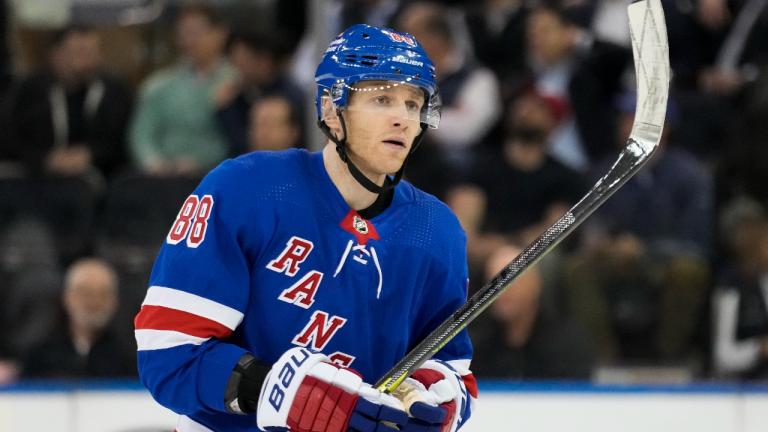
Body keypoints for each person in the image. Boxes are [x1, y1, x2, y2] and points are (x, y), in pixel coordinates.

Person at [135, 25, 476, 432]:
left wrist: (433, 401)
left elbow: (450, 364)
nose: (403, 118)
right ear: (332, 108)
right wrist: (279, 392)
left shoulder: (438, 232)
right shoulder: (246, 189)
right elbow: (170, 353)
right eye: (383, 98)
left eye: (413, 103)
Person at [564, 93, 713, 363]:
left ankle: (670, 358)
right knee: (577, 270)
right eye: (624, 119)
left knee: (689, 271)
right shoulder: (603, 172)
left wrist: (647, 249)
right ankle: (601, 361)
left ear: (664, 128)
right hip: (615, 259)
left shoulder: (689, 174)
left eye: (635, 119)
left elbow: (697, 239)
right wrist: (601, 244)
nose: (626, 125)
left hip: (665, 262)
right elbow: (590, 227)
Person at [2, 25, 132, 182]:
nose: (89, 61)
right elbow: (11, 139)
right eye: (80, 52)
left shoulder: (114, 91)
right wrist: (46, 159)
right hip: (37, 177)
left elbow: (122, 140)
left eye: (93, 52)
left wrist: (90, 155)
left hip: (99, 177)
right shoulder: (31, 90)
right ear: (56, 55)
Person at [129, 3, 236, 176]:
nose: (190, 40)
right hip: (162, 176)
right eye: (184, 33)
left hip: (215, 174)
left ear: (220, 34)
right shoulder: (158, 85)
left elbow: (238, 140)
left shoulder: (236, 82)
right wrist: (154, 162)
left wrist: (202, 162)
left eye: (197, 32)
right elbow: (142, 134)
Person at [470, 244, 596, 379]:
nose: (501, 293)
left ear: (535, 285)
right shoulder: (474, 347)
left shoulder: (568, 346)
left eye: (510, 282)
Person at [22, 258, 137, 379]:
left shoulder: (130, 358)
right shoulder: (40, 357)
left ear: (115, 300)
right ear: (67, 297)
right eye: (85, 293)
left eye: (103, 294)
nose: (94, 302)